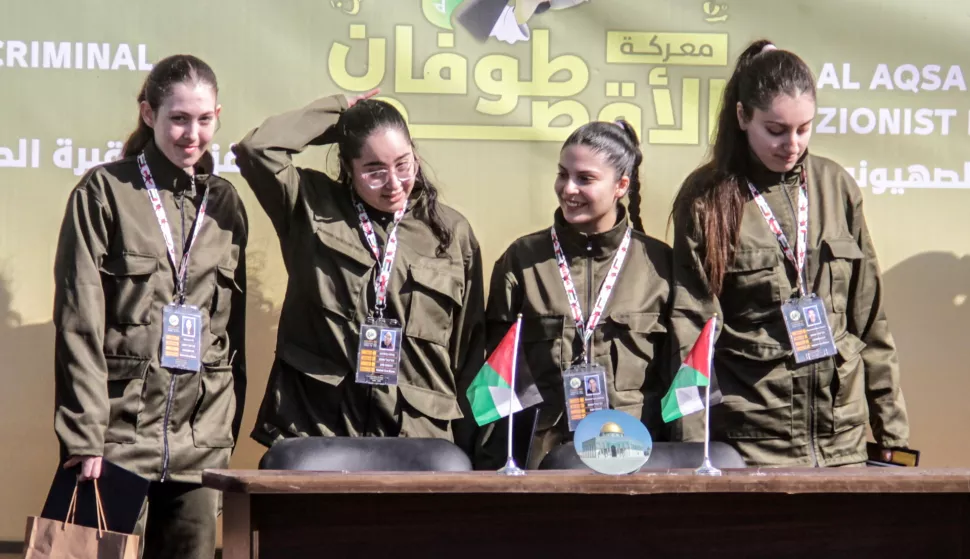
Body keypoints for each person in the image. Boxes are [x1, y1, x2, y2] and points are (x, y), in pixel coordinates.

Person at [669, 40, 909, 467]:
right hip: (752, 443)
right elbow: (691, 332)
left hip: (842, 441)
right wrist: (694, 451)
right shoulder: (706, 197)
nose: (792, 144)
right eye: (776, 130)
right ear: (743, 116)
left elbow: (870, 320)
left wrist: (892, 435)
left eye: (804, 128)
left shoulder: (836, 186)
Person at [53, 54, 248, 558]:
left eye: (204, 119)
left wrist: (222, 436)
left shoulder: (225, 203)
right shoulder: (104, 191)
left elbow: (232, 333)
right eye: (178, 118)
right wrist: (84, 436)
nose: (191, 134)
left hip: (199, 442)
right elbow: (80, 322)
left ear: (218, 115)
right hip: (118, 440)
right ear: (148, 114)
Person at [232, 90, 485, 449]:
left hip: (416, 439)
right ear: (348, 168)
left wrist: (472, 453)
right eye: (374, 171)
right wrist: (339, 114)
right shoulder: (308, 204)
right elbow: (258, 150)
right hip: (318, 428)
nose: (394, 184)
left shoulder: (451, 232)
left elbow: (470, 351)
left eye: (403, 164)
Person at [481, 120, 673, 469]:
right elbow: (497, 382)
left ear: (620, 185)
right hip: (543, 466)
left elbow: (680, 381)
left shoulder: (661, 266)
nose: (568, 189)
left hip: (636, 462)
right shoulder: (522, 260)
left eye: (585, 178)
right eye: (562, 174)